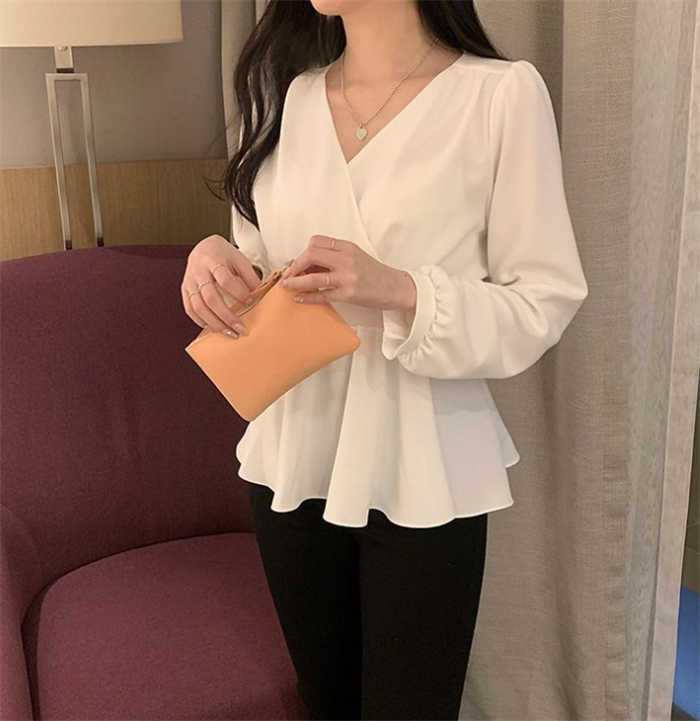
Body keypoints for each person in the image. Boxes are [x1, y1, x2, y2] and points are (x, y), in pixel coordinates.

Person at [181, 1, 589, 718]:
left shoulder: (500, 97)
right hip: (294, 461)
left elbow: (542, 301)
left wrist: (400, 291)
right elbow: (261, 262)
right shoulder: (282, 98)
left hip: (423, 463)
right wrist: (213, 260)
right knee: (327, 704)